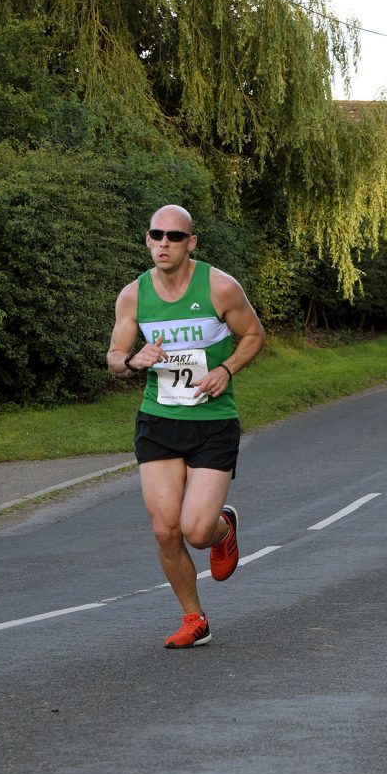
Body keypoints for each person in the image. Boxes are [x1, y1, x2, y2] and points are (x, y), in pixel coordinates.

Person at [107, 204, 265, 649]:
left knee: (196, 532)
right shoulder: (133, 295)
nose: (164, 243)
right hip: (158, 421)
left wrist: (227, 369)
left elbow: (254, 335)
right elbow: (114, 357)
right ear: (147, 239)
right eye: (156, 235)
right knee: (165, 530)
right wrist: (133, 361)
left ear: (190, 243)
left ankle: (222, 528)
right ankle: (194, 618)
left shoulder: (219, 287)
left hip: (212, 422)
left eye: (174, 237)